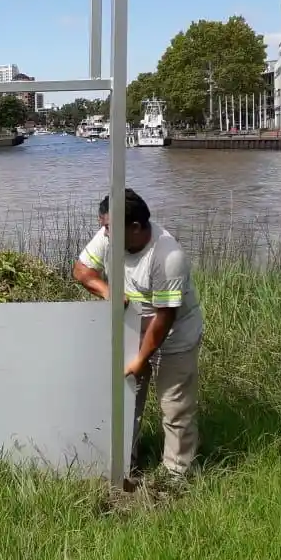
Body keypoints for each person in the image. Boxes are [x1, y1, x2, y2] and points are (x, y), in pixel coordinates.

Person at [72, 188, 203, 479]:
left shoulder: (168, 257)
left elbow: (165, 317)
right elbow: (81, 271)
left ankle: (176, 475)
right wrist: (108, 292)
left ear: (134, 228)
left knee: (175, 406)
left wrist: (142, 358)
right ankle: (123, 464)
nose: (103, 234)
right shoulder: (107, 236)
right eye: (103, 226)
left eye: (108, 227)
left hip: (174, 335)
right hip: (132, 330)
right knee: (126, 400)